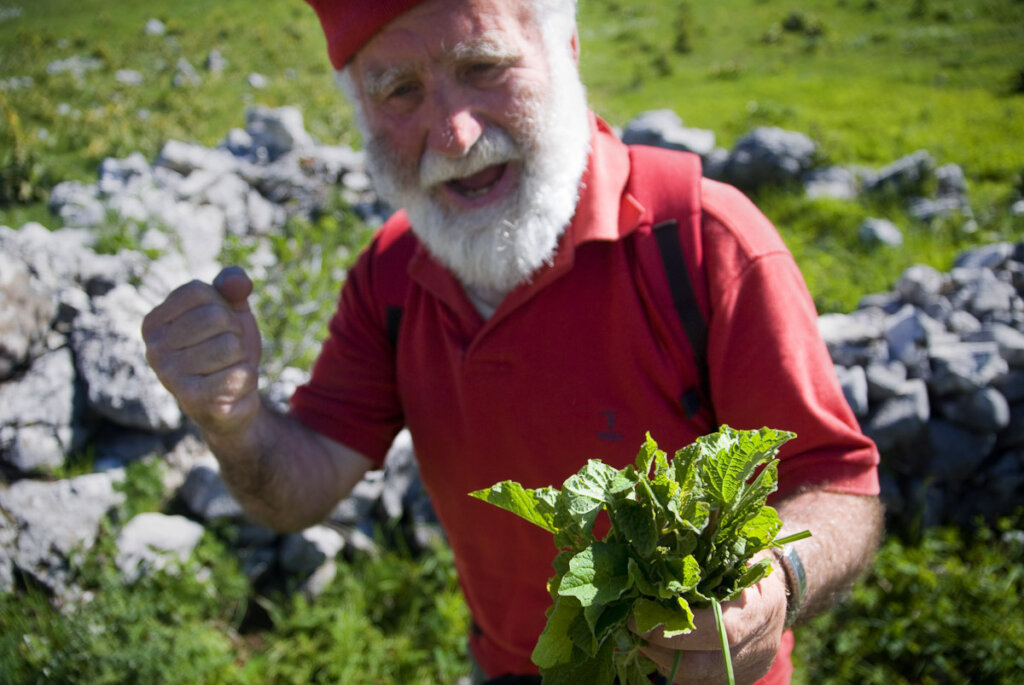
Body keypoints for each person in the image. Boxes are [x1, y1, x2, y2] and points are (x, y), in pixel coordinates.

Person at [141, 1, 884, 683]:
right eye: (399, 90)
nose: (456, 136)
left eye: (483, 68)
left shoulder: (700, 241)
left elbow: (840, 485)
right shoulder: (391, 276)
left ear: (566, 45)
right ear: (361, 112)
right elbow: (302, 486)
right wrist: (233, 420)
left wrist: (774, 583)